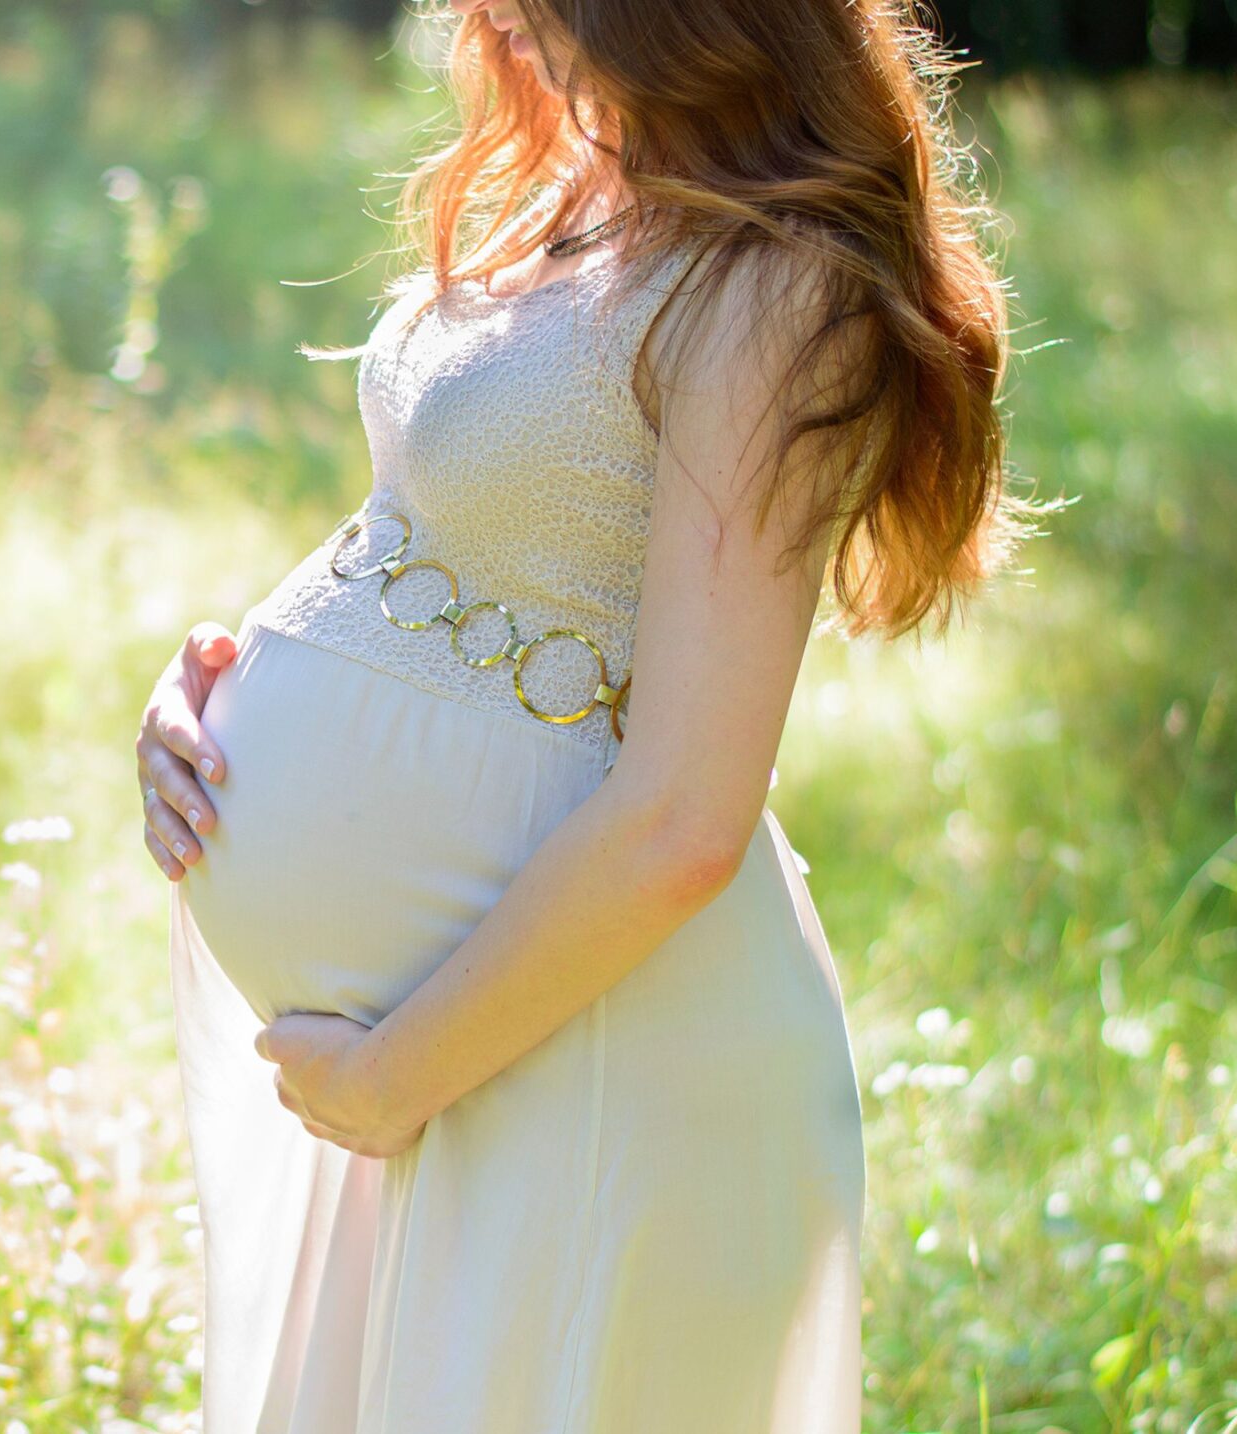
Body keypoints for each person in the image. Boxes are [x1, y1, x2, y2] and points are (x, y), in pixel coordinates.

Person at [131, 0, 1045, 1428]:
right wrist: (211, 690)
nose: (496, 26)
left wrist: (389, 1077)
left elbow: (687, 811)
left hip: (593, 1070)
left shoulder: (780, 293)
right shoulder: (596, 193)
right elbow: (461, 519)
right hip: (453, 1062)